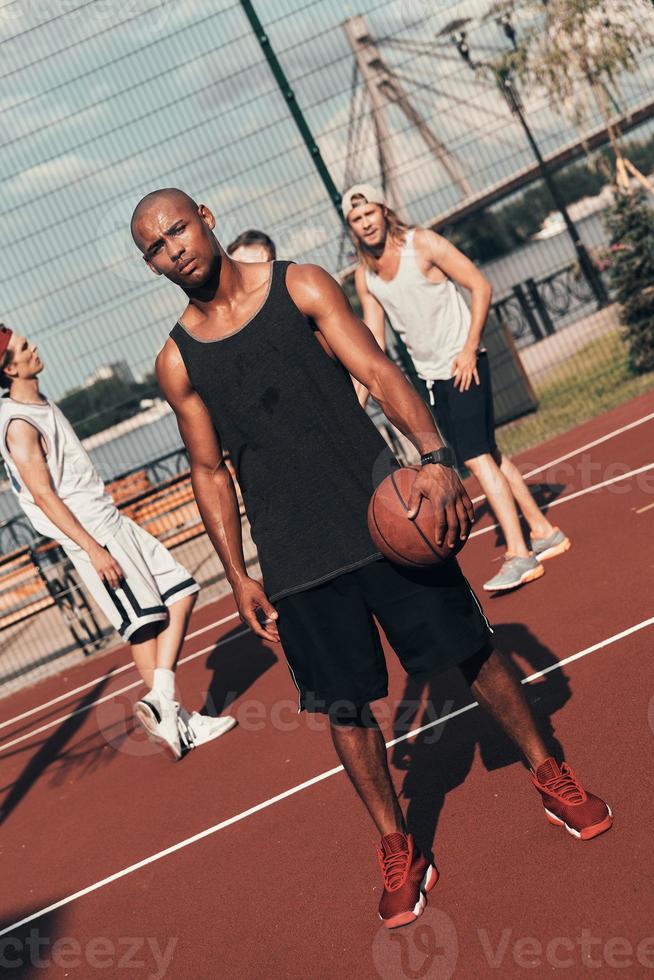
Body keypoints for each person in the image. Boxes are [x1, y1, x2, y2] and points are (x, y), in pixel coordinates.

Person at [130, 188, 611, 930]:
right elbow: (206, 472)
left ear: (207, 218)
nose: (174, 251)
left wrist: (437, 456)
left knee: (472, 651)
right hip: (295, 557)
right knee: (345, 707)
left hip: (384, 516)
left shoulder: (301, 285)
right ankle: (397, 847)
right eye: (156, 249)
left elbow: (383, 375)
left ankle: (550, 772)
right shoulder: (177, 361)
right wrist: (237, 574)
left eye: (178, 231)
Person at [0, 323, 235, 761]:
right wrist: (91, 547)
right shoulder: (17, 424)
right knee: (144, 624)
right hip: (93, 532)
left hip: (110, 519)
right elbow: (44, 496)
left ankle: (163, 701)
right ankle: (176, 719)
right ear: (9, 367)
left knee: (180, 591)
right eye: (24, 348)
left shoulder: (38, 405)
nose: (34, 348)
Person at [344, 183, 570, 593]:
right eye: (356, 220)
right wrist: (356, 400)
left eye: (370, 213)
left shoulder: (423, 244)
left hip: (464, 364)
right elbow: (372, 343)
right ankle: (543, 530)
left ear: (384, 210)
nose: (366, 223)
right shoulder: (366, 277)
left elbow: (479, 285)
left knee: (476, 457)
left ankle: (520, 554)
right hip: (431, 378)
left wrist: (469, 349)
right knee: (491, 455)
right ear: (352, 228)